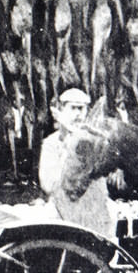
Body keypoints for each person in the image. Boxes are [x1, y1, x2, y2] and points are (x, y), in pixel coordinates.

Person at [38, 88, 116, 239]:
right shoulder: (52, 143)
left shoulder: (96, 142)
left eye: (83, 109)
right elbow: (48, 184)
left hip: (93, 214)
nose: (78, 114)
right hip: (63, 214)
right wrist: (69, 146)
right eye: (73, 108)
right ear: (61, 111)